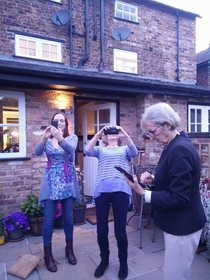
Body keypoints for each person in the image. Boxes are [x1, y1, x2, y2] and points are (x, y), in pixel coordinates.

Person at [125, 103, 206, 280]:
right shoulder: (175, 143)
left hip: (183, 225)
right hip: (179, 224)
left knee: (175, 275)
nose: (151, 137)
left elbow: (179, 197)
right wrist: (154, 178)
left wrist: (142, 192)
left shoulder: (180, 149)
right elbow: (177, 177)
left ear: (167, 125)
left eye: (152, 131)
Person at [84, 125, 138, 279]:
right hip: (102, 190)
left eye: (115, 133)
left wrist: (124, 133)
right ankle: (104, 260)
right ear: (105, 137)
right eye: (109, 134)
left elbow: (133, 152)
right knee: (101, 230)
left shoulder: (124, 150)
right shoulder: (100, 150)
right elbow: (87, 151)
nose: (112, 135)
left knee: (120, 231)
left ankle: (123, 263)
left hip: (120, 189)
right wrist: (99, 133)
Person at [34, 112, 80, 272]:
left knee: (68, 217)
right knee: (48, 219)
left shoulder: (71, 137)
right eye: (57, 120)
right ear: (52, 122)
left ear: (66, 123)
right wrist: (44, 137)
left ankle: (69, 249)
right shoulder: (47, 139)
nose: (59, 123)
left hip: (67, 181)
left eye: (62, 121)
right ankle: (48, 255)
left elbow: (70, 150)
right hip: (50, 181)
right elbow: (37, 153)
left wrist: (59, 137)